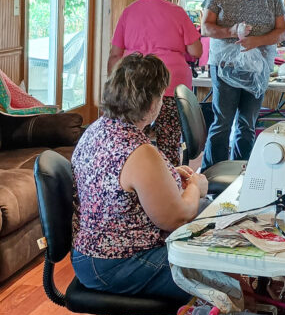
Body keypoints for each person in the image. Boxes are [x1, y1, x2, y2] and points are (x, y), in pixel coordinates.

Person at [71, 53, 207, 299]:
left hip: (90, 256)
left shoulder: (98, 129)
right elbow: (176, 218)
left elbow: (115, 184)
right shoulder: (138, 150)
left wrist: (165, 178)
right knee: (219, 267)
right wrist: (196, 185)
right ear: (153, 102)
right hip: (117, 264)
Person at [201, 0, 285, 168]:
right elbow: (206, 28)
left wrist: (257, 41)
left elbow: (282, 32)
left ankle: (242, 172)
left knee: (247, 124)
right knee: (222, 122)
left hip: (256, 69)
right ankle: (212, 174)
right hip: (225, 65)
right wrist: (230, 32)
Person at [107, 0, 202, 166]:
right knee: (168, 142)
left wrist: (114, 87)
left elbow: (115, 55)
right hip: (170, 86)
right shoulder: (177, 12)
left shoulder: (128, 12)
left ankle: (133, 177)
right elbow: (196, 51)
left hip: (134, 86)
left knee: (129, 138)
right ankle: (170, 182)